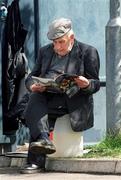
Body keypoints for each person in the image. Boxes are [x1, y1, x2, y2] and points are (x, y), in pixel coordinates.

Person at [20, 17, 100, 174]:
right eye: (54, 43)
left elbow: (95, 84)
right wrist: (33, 85)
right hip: (48, 96)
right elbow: (31, 76)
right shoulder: (45, 51)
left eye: (61, 42)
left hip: (72, 100)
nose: (57, 47)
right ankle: (44, 139)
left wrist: (87, 84)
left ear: (71, 37)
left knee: (34, 110)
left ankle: (36, 160)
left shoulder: (88, 52)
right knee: (34, 99)